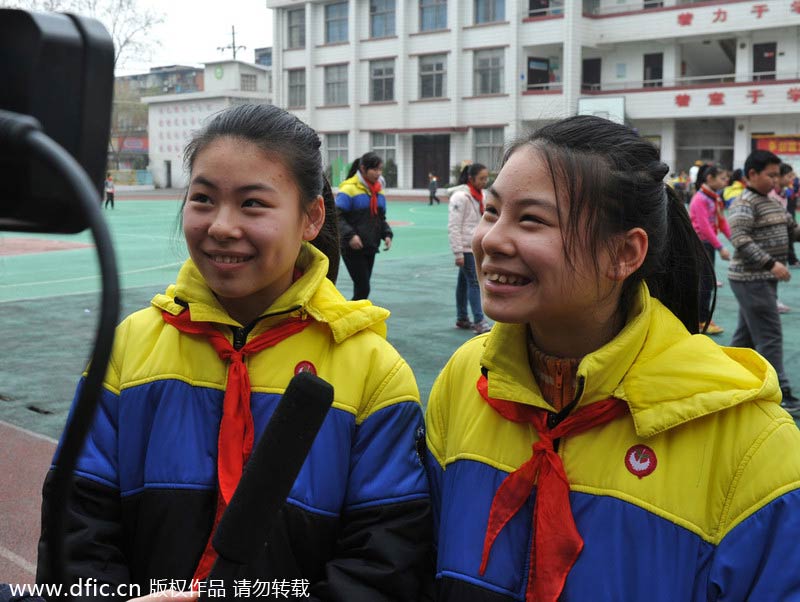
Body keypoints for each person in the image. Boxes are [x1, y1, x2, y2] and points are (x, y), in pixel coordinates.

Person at [36, 104, 431, 600]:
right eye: (203, 199)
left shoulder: (374, 371)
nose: (221, 226)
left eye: (252, 204)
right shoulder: (127, 349)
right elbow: (75, 527)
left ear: (311, 217)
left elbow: (388, 563)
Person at [425, 116, 800, 601]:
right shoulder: (467, 376)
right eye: (493, 211)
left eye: (532, 220)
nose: (492, 239)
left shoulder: (750, 441)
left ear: (624, 253)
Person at [728, 149, 800, 413]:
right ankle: (782, 393)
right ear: (752, 175)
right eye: (770, 175)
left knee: (744, 337)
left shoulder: (772, 202)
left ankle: (728, 377)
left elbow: (792, 230)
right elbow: (740, 239)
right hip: (750, 279)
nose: (775, 180)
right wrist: (772, 264)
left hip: (761, 280)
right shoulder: (744, 203)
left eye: (776, 175)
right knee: (770, 336)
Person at [335, 152, 393, 300]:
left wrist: (387, 234)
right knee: (363, 287)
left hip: (370, 245)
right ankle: (352, 320)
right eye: (374, 169)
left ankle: (355, 319)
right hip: (352, 247)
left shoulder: (378, 191)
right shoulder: (348, 189)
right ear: (362, 168)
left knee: (362, 289)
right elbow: (337, 216)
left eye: (380, 169)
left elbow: (380, 218)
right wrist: (350, 236)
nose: (378, 173)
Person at [447, 163, 491, 334]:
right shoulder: (460, 197)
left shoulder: (482, 195)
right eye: (481, 178)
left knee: (464, 283)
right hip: (466, 247)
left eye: (486, 178)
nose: (484, 182)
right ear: (471, 178)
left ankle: (462, 317)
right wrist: (458, 252)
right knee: (474, 282)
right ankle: (479, 320)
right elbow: (454, 225)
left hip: (475, 246)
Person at [689, 164, 730, 334]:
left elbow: (721, 221)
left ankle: (700, 317)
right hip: (701, 244)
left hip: (707, 245)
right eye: (722, 178)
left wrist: (736, 240)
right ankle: (701, 320)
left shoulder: (714, 197)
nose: (726, 181)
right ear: (710, 178)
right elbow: (704, 227)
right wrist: (720, 247)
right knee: (705, 283)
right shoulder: (700, 199)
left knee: (706, 282)